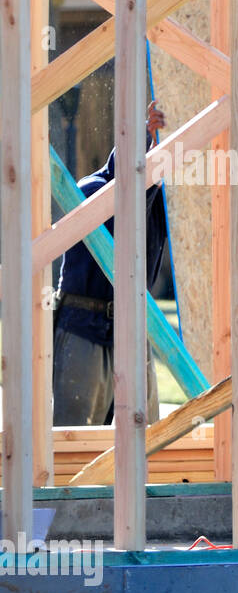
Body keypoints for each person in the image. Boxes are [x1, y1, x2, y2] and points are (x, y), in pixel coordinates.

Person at [52, 101, 169, 427]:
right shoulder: (91, 190)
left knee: (146, 439)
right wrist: (148, 138)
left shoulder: (156, 203)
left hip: (131, 331)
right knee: (75, 442)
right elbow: (126, 206)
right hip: (85, 330)